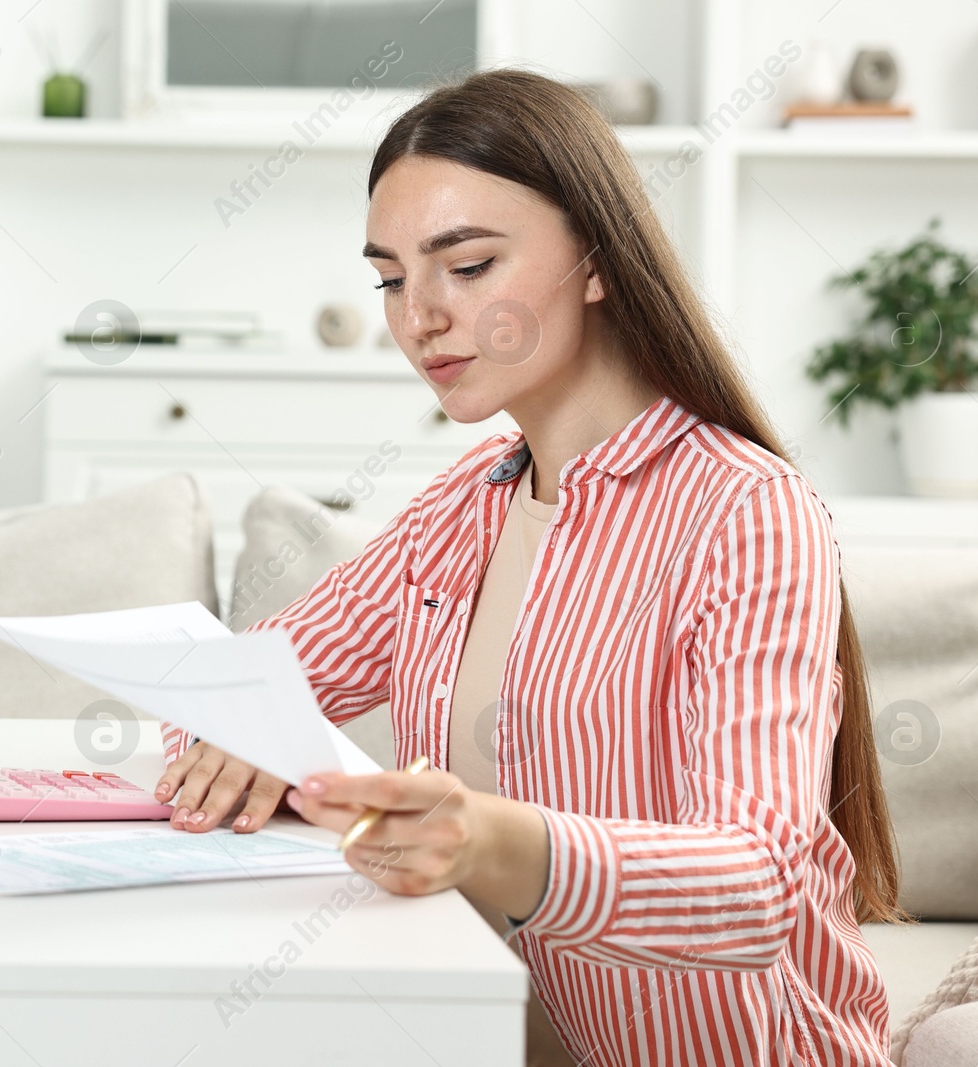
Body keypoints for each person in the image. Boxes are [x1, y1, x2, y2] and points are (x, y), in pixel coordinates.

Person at [154, 68, 901, 1066]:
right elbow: (229, 687)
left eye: (465, 266)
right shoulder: (466, 507)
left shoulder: (743, 511)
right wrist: (234, 731)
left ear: (593, 259)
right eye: (389, 277)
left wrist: (490, 843)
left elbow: (753, 882)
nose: (417, 316)